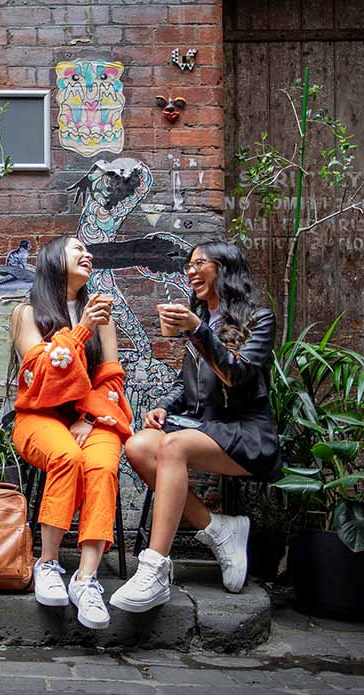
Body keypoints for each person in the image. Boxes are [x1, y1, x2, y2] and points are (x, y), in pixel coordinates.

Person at [110, 241, 281, 614]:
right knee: (139, 445)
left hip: (246, 432)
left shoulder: (258, 319)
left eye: (200, 263)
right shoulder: (199, 318)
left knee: (173, 447)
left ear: (225, 268)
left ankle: (154, 568)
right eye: (189, 264)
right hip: (201, 425)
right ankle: (218, 530)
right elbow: (186, 384)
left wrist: (199, 331)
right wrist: (163, 406)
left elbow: (237, 376)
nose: (190, 270)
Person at [10, 236, 133, 629]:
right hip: (39, 416)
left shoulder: (102, 316)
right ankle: (47, 564)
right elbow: (43, 376)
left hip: (91, 418)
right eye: (76, 248)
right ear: (51, 260)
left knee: (100, 464)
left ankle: (86, 578)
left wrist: (89, 418)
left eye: (87, 250)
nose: (87, 254)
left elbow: (110, 379)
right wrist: (80, 329)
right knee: (67, 456)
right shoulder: (26, 314)